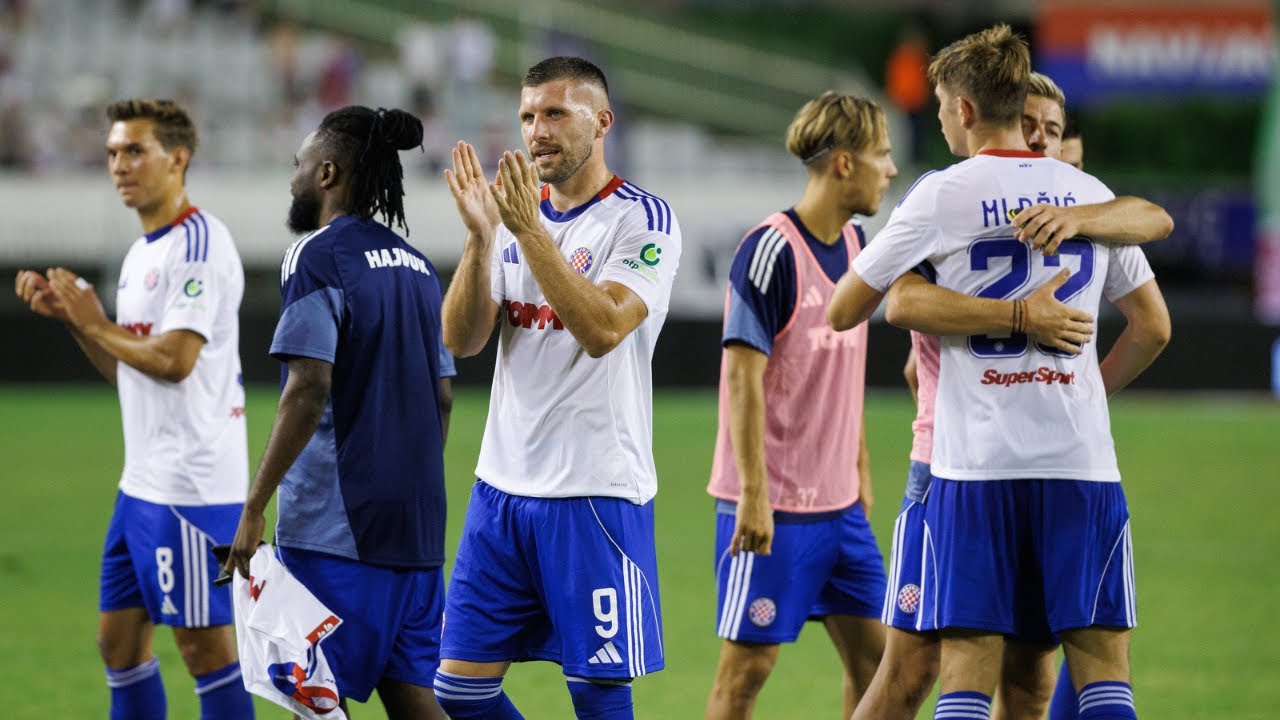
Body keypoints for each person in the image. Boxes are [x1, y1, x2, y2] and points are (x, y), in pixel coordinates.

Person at [828, 25, 1171, 720]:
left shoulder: (943, 194)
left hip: (975, 469)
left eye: (941, 107)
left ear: (963, 109)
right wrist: (1090, 390)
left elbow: (846, 308)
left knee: (965, 672)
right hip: (1080, 465)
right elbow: (1153, 326)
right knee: (1102, 672)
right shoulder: (1086, 195)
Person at [436, 56, 681, 720]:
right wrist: (481, 237)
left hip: (593, 492)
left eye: (554, 113)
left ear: (601, 122)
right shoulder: (514, 219)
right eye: (527, 116)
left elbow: (603, 328)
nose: (536, 130)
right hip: (501, 489)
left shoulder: (642, 219)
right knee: (458, 689)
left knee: (596, 696)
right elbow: (461, 339)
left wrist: (526, 232)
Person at [14, 98, 255, 719]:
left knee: (205, 651)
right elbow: (132, 373)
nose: (119, 165)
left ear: (178, 159)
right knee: (117, 645)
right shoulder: (142, 252)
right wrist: (80, 324)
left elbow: (174, 360)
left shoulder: (199, 244)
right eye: (112, 153)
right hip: (141, 485)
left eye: (134, 151)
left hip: (192, 488)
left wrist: (97, 322)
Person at [221, 105, 454, 720]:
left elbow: (308, 386)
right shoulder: (420, 268)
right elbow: (443, 395)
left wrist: (254, 505)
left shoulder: (316, 255)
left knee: (318, 702)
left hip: (336, 532)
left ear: (326, 173)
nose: (291, 179)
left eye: (298, 165)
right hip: (418, 528)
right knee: (413, 697)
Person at [701, 91, 894, 720]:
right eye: (881, 154)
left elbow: (844, 371)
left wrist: (859, 467)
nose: (890, 169)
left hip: (842, 511)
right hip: (772, 509)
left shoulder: (860, 245)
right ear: (844, 163)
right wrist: (754, 495)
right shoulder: (770, 250)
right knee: (745, 674)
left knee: (882, 667)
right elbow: (741, 379)